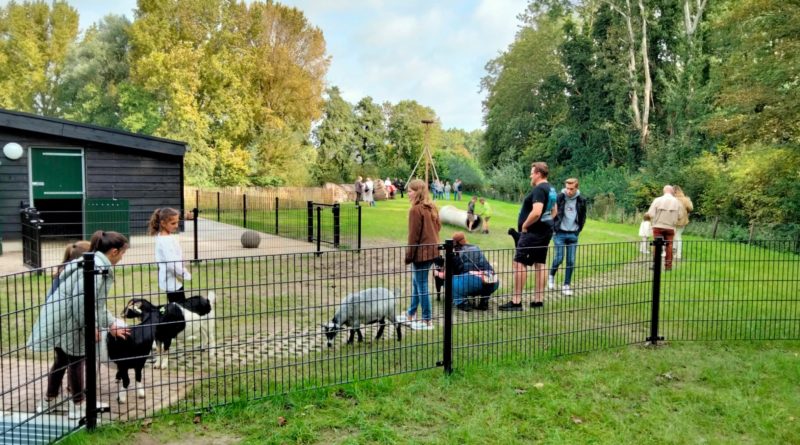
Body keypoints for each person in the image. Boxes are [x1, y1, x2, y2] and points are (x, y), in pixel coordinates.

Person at [28, 231, 131, 419]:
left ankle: (49, 401)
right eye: (123, 253)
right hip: (70, 321)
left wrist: (110, 324)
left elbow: (95, 304)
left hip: (63, 318)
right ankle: (78, 405)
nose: (122, 257)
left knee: (62, 360)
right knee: (76, 360)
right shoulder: (96, 268)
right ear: (114, 252)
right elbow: (82, 303)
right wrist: (90, 328)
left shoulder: (93, 262)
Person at [501, 162, 557, 311]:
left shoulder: (539, 189)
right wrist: (546, 223)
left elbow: (537, 212)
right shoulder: (551, 189)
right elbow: (554, 212)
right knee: (540, 263)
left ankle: (516, 302)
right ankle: (538, 300)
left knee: (519, 263)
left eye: (532, 173)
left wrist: (525, 225)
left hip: (533, 233)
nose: (530, 176)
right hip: (545, 231)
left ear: (538, 174)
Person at [398, 179, 441, 330]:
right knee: (417, 282)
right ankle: (411, 313)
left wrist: (409, 256)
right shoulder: (432, 207)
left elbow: (413, 236)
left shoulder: (415, 210)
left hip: (422, 253)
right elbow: (438, 227)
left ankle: (427, 320)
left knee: (421, 284)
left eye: (410, 191)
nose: (408, 194)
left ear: (417, 192)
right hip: (433, 251)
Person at [548, 178, 587, 296]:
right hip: (559, 233)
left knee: (571, 261)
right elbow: (552, 212)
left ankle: (566, 285)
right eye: (567, 188)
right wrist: (554, 229)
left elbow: (583, 216)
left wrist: (578, 230)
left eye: (571, 189)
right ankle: (551, 276)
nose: (569, 191)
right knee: (559, 258)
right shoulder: (559, 197)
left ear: (576, 188)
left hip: (573, 234)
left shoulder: (581, 200)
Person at [149, 208, 191, 303]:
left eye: (177, 222)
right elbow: (172, 263)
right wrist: (185, 273)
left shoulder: (165, 237)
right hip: (171, 279)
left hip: (172, 278)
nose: (176, 226)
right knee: (179, 307)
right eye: (173, 223)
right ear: (163, 223)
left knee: (177, 305)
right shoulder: (165, 240)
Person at [450, 231, 499, 312]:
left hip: (473, 282)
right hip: (493, 280)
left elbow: (455, 271)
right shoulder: (476, 248)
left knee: (451, 280)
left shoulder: (458, 253)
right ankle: (484, 301)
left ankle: (462, 303)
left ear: (455, 243)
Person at [646, 185, 686, 271]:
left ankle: (656, 265)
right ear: (672, 192)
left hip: (658, 226)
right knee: (669, 246)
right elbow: (680, 216)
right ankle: (668, 266)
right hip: (670, 227)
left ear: (664, 191)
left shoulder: (657, 200)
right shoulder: (677, 202)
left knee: (657, 245)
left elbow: (651, 214)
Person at [673, 185, 693, 260]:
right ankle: (678, 254)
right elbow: (691, 208)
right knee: (678, 236)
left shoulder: (672, 199)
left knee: (672, 236)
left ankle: (674, 252)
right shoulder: (685, 199)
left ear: (674, 191)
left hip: (672, 220)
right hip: (682, 220)